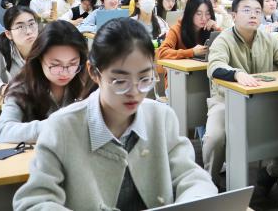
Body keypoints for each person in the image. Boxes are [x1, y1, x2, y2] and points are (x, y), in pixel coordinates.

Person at [12, 17, 217, 210]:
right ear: (94, 72)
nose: (134, 92)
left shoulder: (161, 117)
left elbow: (192, 178)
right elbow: (34, 202)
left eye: (145, 79)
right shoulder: (62, 127)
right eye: (120, 81)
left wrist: (190, 202)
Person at [205, 0, 278, 188]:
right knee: (214, 138)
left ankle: (271, 172)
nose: (253, 15)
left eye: (258, 11)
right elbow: (214, 67)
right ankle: (209, 183)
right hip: (226, 101)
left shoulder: (268, 39)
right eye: (247, 10)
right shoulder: (223, 40)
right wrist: (236, 74)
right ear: (234, 16)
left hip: (264, 101)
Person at [0, 20, 92, 144]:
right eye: (55, 65)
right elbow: (3, 132)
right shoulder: (20, 88)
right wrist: (57, 125)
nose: (65, 72)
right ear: (39, 59)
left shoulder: (87, 84)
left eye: (73, 64)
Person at [156, 0, 220, 60]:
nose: (204, 18)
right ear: (190, 13)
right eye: (199, 14)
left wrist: (217, 28)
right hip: (182, 67)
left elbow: (226, 46)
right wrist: (192, 52)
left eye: (207, 13)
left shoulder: (211, 28)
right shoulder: (177, 29)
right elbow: (161, 52)